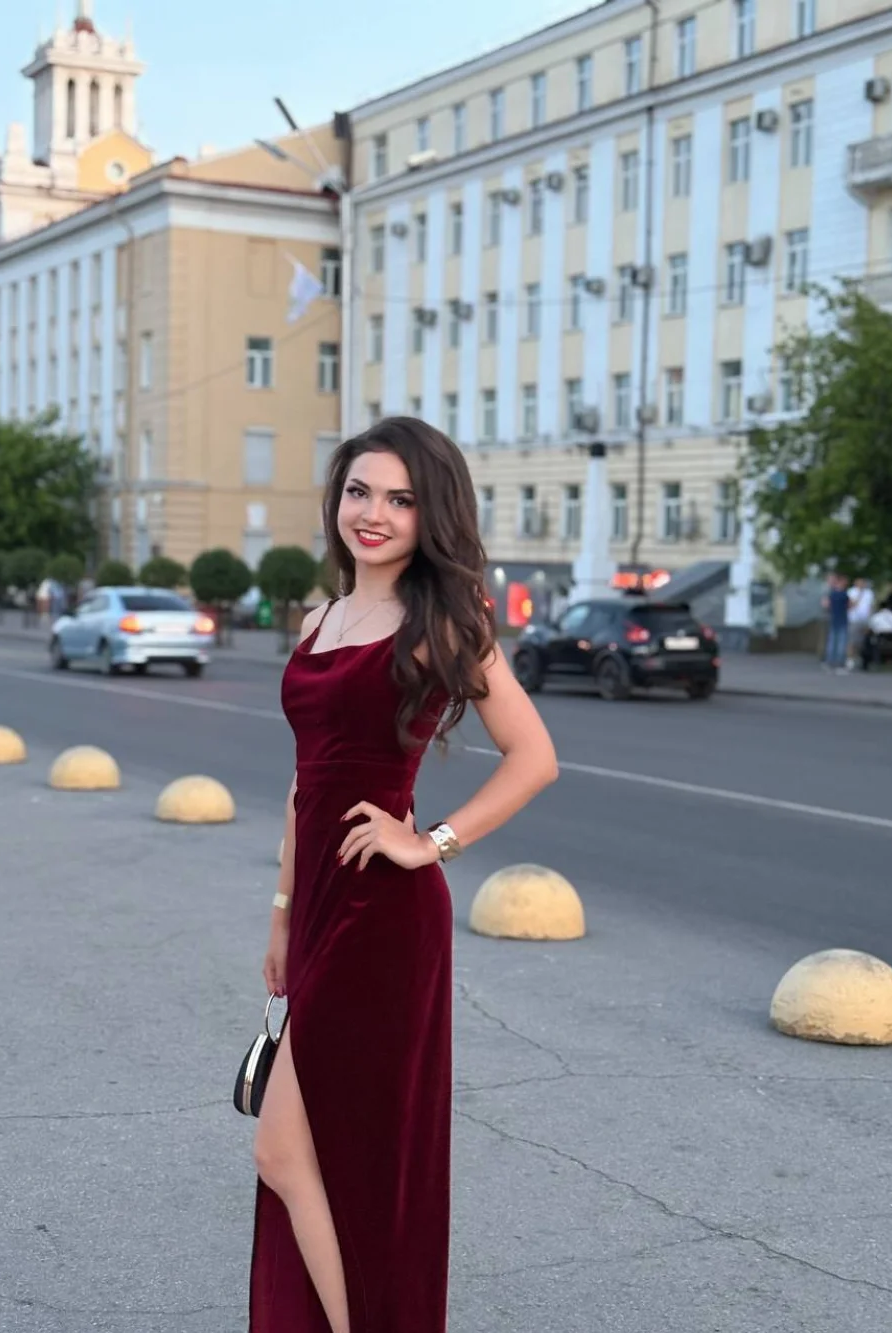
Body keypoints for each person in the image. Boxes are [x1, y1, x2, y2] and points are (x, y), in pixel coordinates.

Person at [249, 417, 559, 1333]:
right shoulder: (319, 620)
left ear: (431, 516)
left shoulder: (440, 624)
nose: (373, 513)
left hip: (383, 915)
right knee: (321, 1148)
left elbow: (535, 757)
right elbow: (306, 783)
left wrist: (433, 841)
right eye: (359, 491)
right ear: (337, 499)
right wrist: (281, 911)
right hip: (318, 904)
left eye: (400, 498)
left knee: (289, 1148)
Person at [822, 572, 849, 672]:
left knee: (832, 642)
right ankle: (839, 662)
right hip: (842, 620)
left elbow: (826, 605)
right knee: (841, 642)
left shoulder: (832, 594)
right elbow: (849, 605)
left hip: (834, 619)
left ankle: (830, 662)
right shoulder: (844, 594)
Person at [845, 576, 873, 671]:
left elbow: (870, 606)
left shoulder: (869, 593)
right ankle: (850, 659)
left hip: (865, 619)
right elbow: (851, 604)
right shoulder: (851, 592)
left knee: (862, 641)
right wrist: (859, 595)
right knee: (852, 640)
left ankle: (859, 658)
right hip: (854, 619)